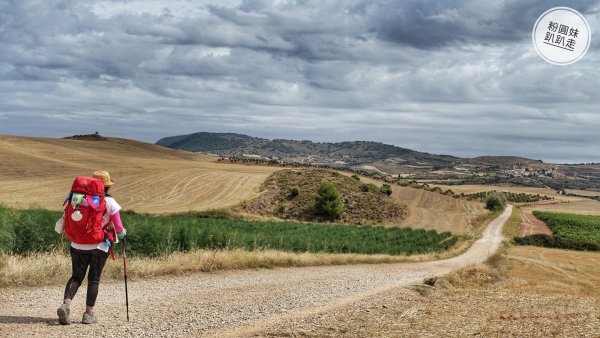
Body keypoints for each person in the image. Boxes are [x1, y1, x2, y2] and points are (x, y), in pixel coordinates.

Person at [57, 170, 127, 325]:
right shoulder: (109, 202)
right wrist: (122, 234)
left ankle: (65, 305)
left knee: (76, 276)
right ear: (107, 186)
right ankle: (88, 315)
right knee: (94, 279)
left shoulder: (77, 198)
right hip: (99, 246)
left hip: (76, 244)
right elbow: (119, 226)